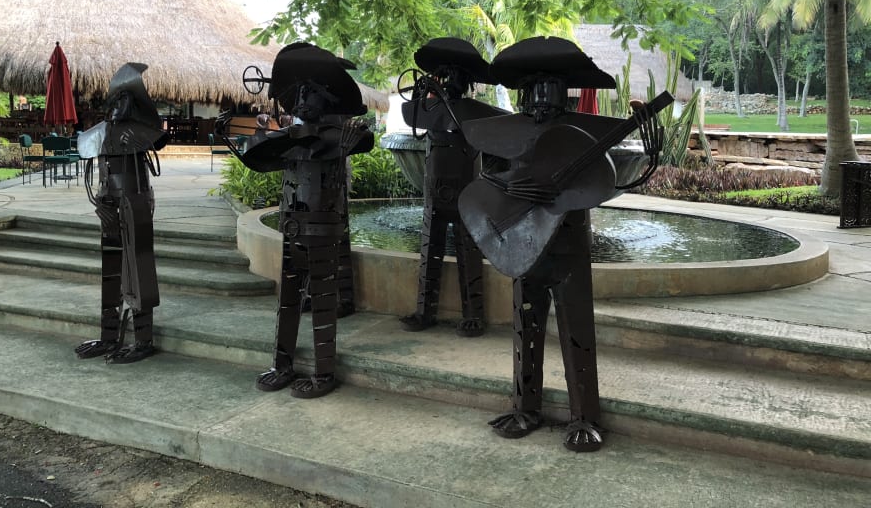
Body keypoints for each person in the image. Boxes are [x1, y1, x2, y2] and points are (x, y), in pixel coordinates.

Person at [458, 37, 667, 451]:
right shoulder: (503, 131)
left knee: (577, 333)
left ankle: (585, 416)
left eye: (551, 88)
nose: (541, 100)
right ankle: (524, 405)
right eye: (534, 89)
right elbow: (488, 179)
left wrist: (651, 137)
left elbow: (625, 174)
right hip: (520, 245)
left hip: (569, 245)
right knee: (525, 328)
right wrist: (516, 185)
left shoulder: (587, 132)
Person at [230, 43, 373, 398]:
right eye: (301, 94)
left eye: (313, 94)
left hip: (322, 228)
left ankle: (324, 373)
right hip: (292, 226)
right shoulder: (290, 140)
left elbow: (364, 138)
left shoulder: (338, 137)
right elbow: (260, 155)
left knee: (323, 300)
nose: (303, 101)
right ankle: (282, 364)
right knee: (288, 300)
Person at [398, 38, 505, 337]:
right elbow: (411, 116)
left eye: (454, 76)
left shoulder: (477, 111)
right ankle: (424, 310)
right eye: (444, 76)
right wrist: (423, 96)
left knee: (468, 251)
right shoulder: (428, 110)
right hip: (435, 189)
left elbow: (507, 126)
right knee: (427, 250)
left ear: (467, 81)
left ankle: (474, 314)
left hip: (467, 191)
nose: (448, 81)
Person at [73, 63, 168, 364]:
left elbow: (158, 138)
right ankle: (108, 335)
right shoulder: (96, 136)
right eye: (116, 100)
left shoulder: (144, 133)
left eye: (125, 99)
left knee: (139, 267)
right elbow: (91, 174)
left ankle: (143, 339)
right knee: (111, 270)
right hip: (107, 204)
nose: (118, 106)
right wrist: (100, 203)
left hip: (136, 201)